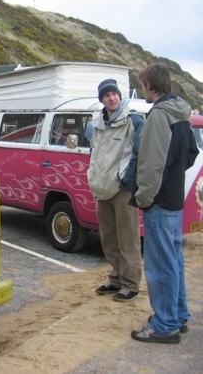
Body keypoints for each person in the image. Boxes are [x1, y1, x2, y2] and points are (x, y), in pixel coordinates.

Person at [131, 63, 199, 344]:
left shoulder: (159, 115)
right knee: (173, 260)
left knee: (160, 264)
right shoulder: (181, 113)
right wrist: (172, 176)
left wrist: (144, 198)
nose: (143, 87)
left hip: (158, 201)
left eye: (143, 83)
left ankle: (165, 324)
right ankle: (177, 315)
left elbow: (150, 165)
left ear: (149, 84)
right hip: (174, 198)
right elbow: (192, 154)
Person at [88, 78, 144, 303]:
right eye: (107, 95)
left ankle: (131, 284)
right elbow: (94, 154)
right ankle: (116, 279)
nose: (112, 98)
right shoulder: (98, 123)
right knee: (109, 239)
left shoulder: (133, 121)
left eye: (114, 94)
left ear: (120, 96)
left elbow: (140, 154)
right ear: (101, 99)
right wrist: (93, 178)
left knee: (128, 239)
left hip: (122, 190)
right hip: (102, 190)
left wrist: (127, 181)